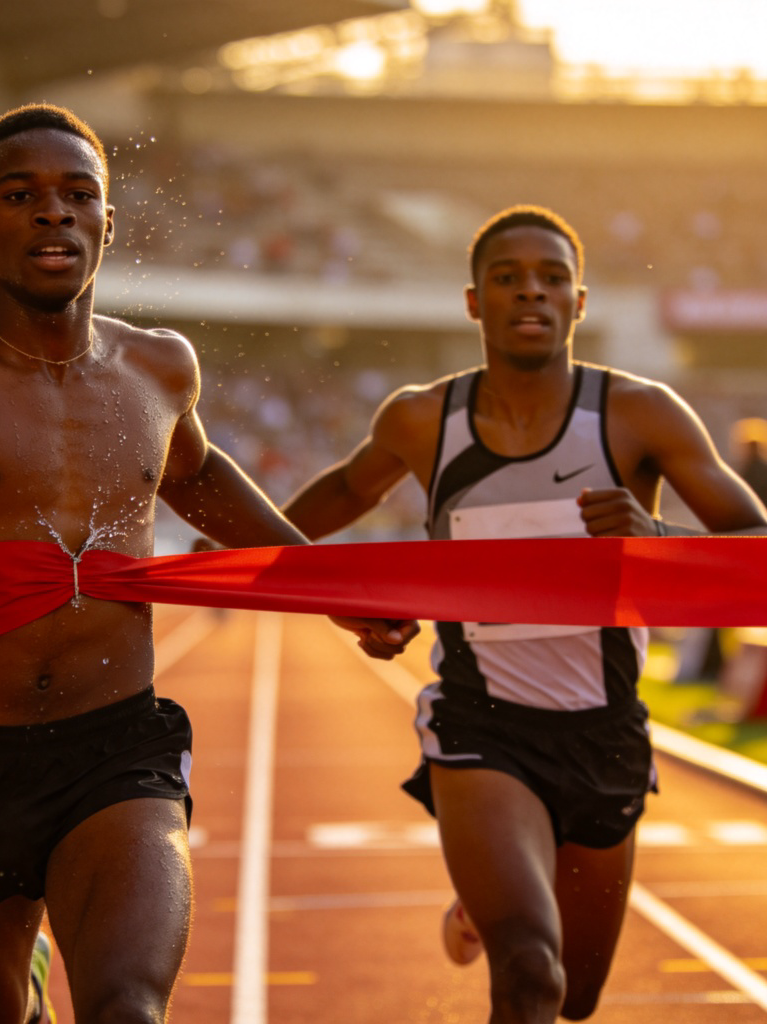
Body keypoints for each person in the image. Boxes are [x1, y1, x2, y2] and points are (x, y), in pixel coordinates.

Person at [0, 104, 414, 1024]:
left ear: (108, 219)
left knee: (127, 1008)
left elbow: (200, 477)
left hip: (119, 748)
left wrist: (322, 588)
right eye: (20, 196)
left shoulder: (159, 369)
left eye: (78, 195)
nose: (54, 213)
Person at [283, 204, 767, 1023]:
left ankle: (487, 895)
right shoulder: (420, 418)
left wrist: (657, 538)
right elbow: (339, 495)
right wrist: (233, 563)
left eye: (552, 279)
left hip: (605, 731)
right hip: (481, 726)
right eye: (507, 279)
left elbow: (753, 545)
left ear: (580, 303)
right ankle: (500, 891)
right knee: (530, 975)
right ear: (474, 302)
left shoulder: (639, 413)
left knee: (575, 997)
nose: (530, 293)